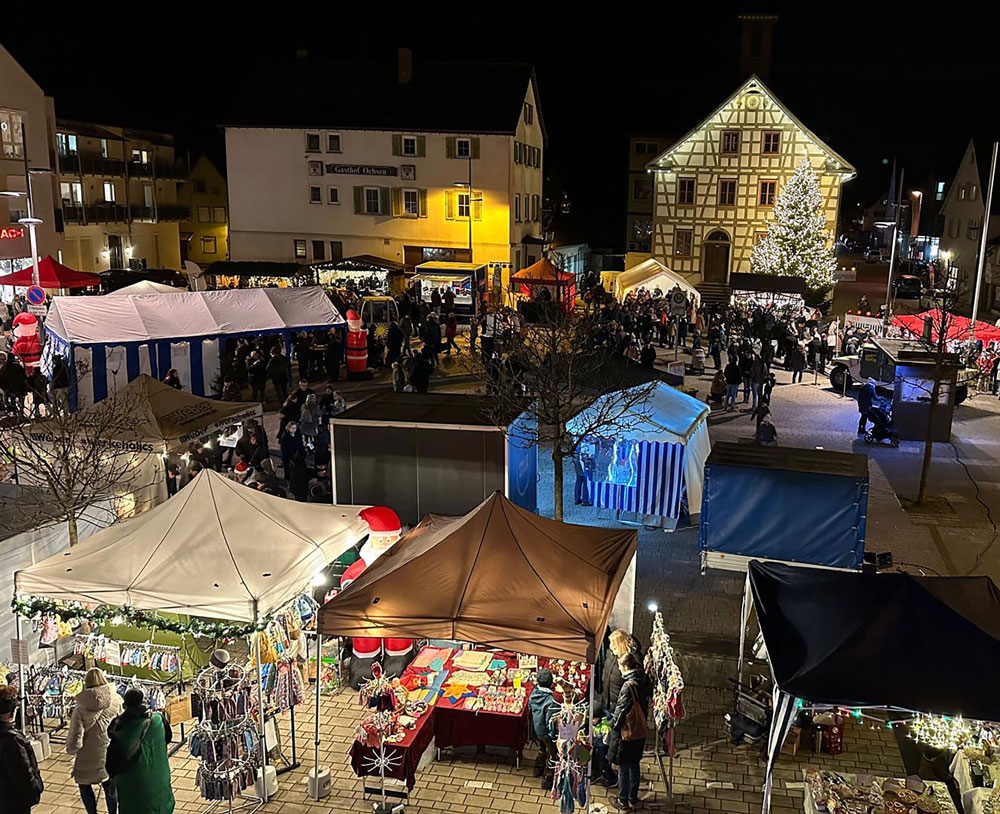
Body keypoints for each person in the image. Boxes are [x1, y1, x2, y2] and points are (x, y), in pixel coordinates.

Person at [106, 689, 174, 814]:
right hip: (160, 782)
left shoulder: (120, 732)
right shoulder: (158, 719)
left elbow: (111, 765)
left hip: (134, 791)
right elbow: (168, 738)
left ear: (125, 705)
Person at [67, 668, 124, 814]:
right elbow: (122, 725)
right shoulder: (116, 700)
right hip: (109, 750)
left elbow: (76, 739)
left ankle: (92, 812)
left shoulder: (80, 709)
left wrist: (71, 750)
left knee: (84, 784)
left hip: (87, 755)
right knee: (109, 785)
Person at [608, 652, 652, 812]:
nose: (619, 670)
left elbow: (620, 712)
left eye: (620, 667)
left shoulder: (628, 686)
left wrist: (613, 726)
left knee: (623, 766)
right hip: (639, 729)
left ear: (626, 667)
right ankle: (634, 797)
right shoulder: (643, 678)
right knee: (634, 763)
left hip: (628, 732)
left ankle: (623, 800)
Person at [0, 684, 43, 813]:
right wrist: (36, 790)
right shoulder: (12, 740)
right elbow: (23, 773)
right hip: (13, 802)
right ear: (13, 712)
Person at [528, 668, 560, 789]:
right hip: (546, 733)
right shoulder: (550, 701)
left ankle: (537, 769)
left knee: (542, 749)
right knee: (553, 755)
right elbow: (550, 722)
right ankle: (548, 778)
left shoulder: (534, 694)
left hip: (536, 729)